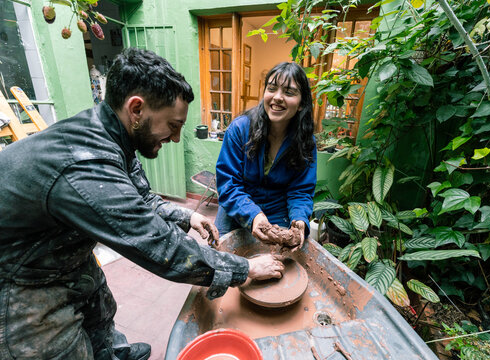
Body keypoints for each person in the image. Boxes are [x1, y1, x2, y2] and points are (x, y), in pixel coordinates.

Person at [0, 48, 284, 360]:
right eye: (173, 125)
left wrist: (187, 216)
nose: (175, 138)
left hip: (64, 253)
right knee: (62, 348)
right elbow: (159, 246)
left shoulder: (112, 134)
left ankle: (112, 352)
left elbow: (142, 199)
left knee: (99, 308)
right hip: (21, 278)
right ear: (136, 109)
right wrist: (245, 268)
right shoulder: (86, 163)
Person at [215, 61, 317, 249]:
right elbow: (228, 184)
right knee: (222, 260)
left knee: (284, 263)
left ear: (302, 103)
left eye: (289, 92)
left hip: (278, 210)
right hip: (237, 206)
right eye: (272, 89)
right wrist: (253, 215)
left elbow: (301, 190)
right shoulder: (239, 129)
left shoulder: (305, 142)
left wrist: (300, 218)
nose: (277, 97)